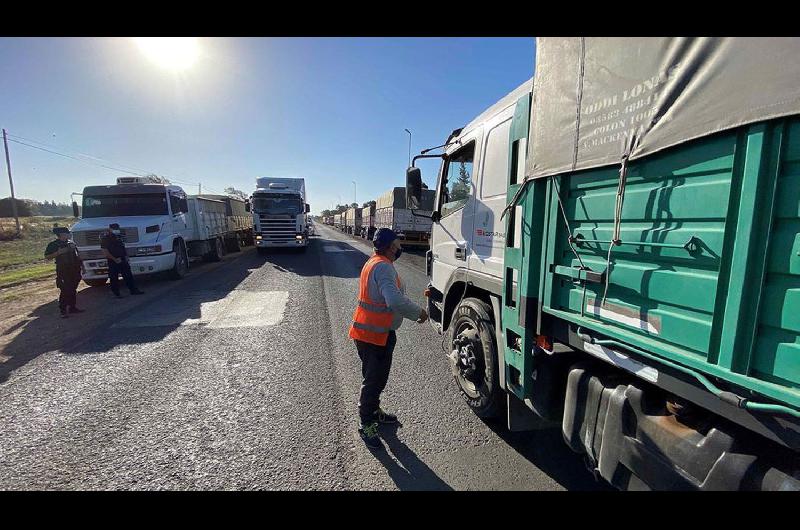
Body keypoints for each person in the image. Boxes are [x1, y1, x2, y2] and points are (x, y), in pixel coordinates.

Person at [349, 228, 428, 450]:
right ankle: (366, 424)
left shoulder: (375, 261)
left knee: (375, 379)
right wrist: (418, 313)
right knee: (373, 381)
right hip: (374, 334)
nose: (400, 247)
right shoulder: (383, 266)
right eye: (397, 243)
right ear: (390, 247)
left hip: (370, 332)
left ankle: (374, 412)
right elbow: (394, 300)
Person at [44, 226, 84, 318]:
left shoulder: (71, 243)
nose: (69, 235)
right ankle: (63, 310)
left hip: (74, 268)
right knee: (65, 289)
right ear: (61, 234)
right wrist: (59, 252)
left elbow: (77, 255)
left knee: (73, 289)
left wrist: (81, 265)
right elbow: (47, 257)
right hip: (63, 270)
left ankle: (72, 307)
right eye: (67, 233)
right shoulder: (53, 244)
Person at [100, 223, 144, 298]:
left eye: (117, 229)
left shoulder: (119, 237)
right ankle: (116, 293)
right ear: (110, 229)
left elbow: (123, 247)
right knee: (114, 277)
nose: (116, 230)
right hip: (113, 260)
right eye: (114, 229)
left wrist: (126, 256)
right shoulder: (105, 238)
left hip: (123, 259)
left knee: (128, 275)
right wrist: (114, 259)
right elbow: (105, 251)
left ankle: (133, 290)